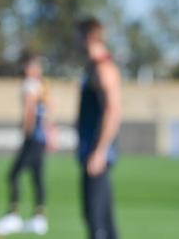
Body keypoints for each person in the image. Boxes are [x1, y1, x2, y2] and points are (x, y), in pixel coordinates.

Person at [0, 54, 51, 236]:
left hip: (33, 138)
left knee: (13, 174)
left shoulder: (30, 85)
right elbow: (48, 111)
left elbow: (30, 109)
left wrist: (27, 130)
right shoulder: (43, 86)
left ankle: (13, 215)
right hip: (40, 139)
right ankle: (39, 217)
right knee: (37, 176)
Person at [77, 18, 121, 239]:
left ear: (89, 38)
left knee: (97, 221)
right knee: (99, 218)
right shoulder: (92, 68)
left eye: (80, 37)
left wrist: (100, 150)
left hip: (96, 152)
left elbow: (113, 110)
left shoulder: (103, 69)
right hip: (90, 150)